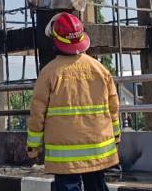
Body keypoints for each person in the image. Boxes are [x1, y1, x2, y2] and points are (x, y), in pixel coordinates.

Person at [27, 13, 120, 191]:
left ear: (56, 41)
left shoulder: (48, 73)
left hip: (64, 154)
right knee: (97, 186)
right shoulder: (100, 69)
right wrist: (116, 136)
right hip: (98, 148)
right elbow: (113, 107)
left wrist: (33, 146)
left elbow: (37, 113)